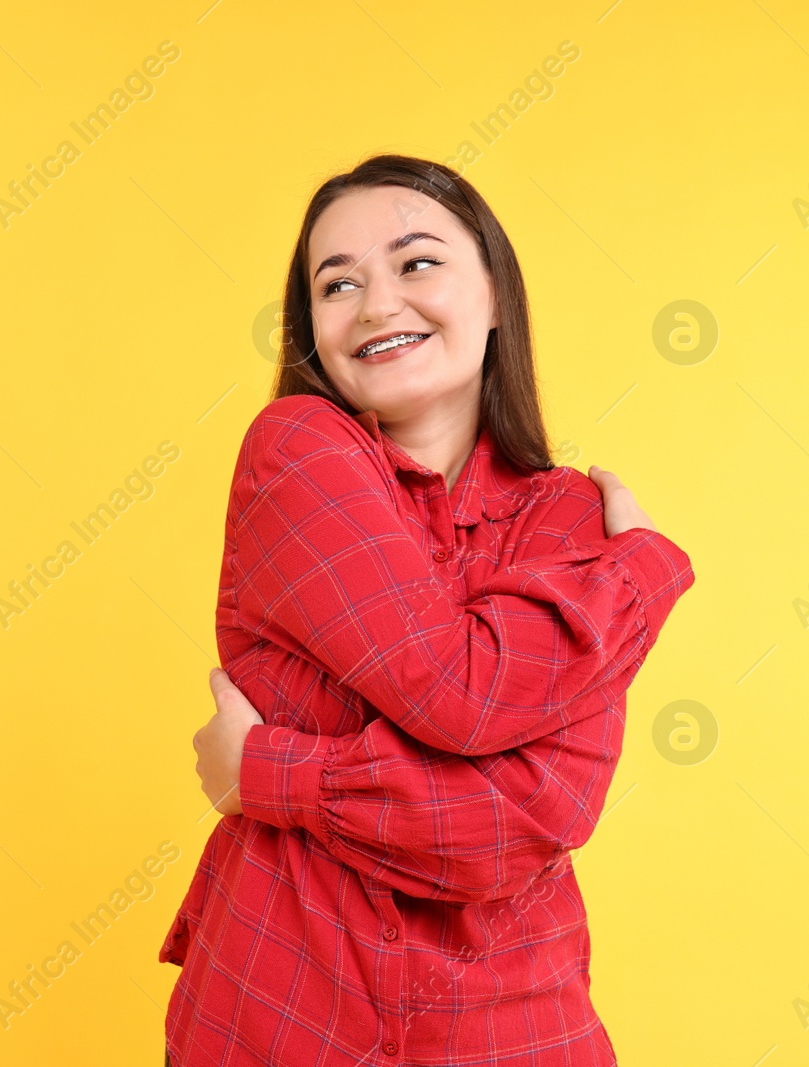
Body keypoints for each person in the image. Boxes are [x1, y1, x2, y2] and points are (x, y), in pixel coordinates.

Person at [159, 155, 695, 1066]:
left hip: (513, 1028)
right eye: (338, 284)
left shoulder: (566, 514)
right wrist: (641, 574)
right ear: (311, 333)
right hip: (278, 1013)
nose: (373, 305)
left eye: (415, 263)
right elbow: (459, 691)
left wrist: (272, 772)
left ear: (495, 298)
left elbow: (529, 816)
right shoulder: (295, 451)